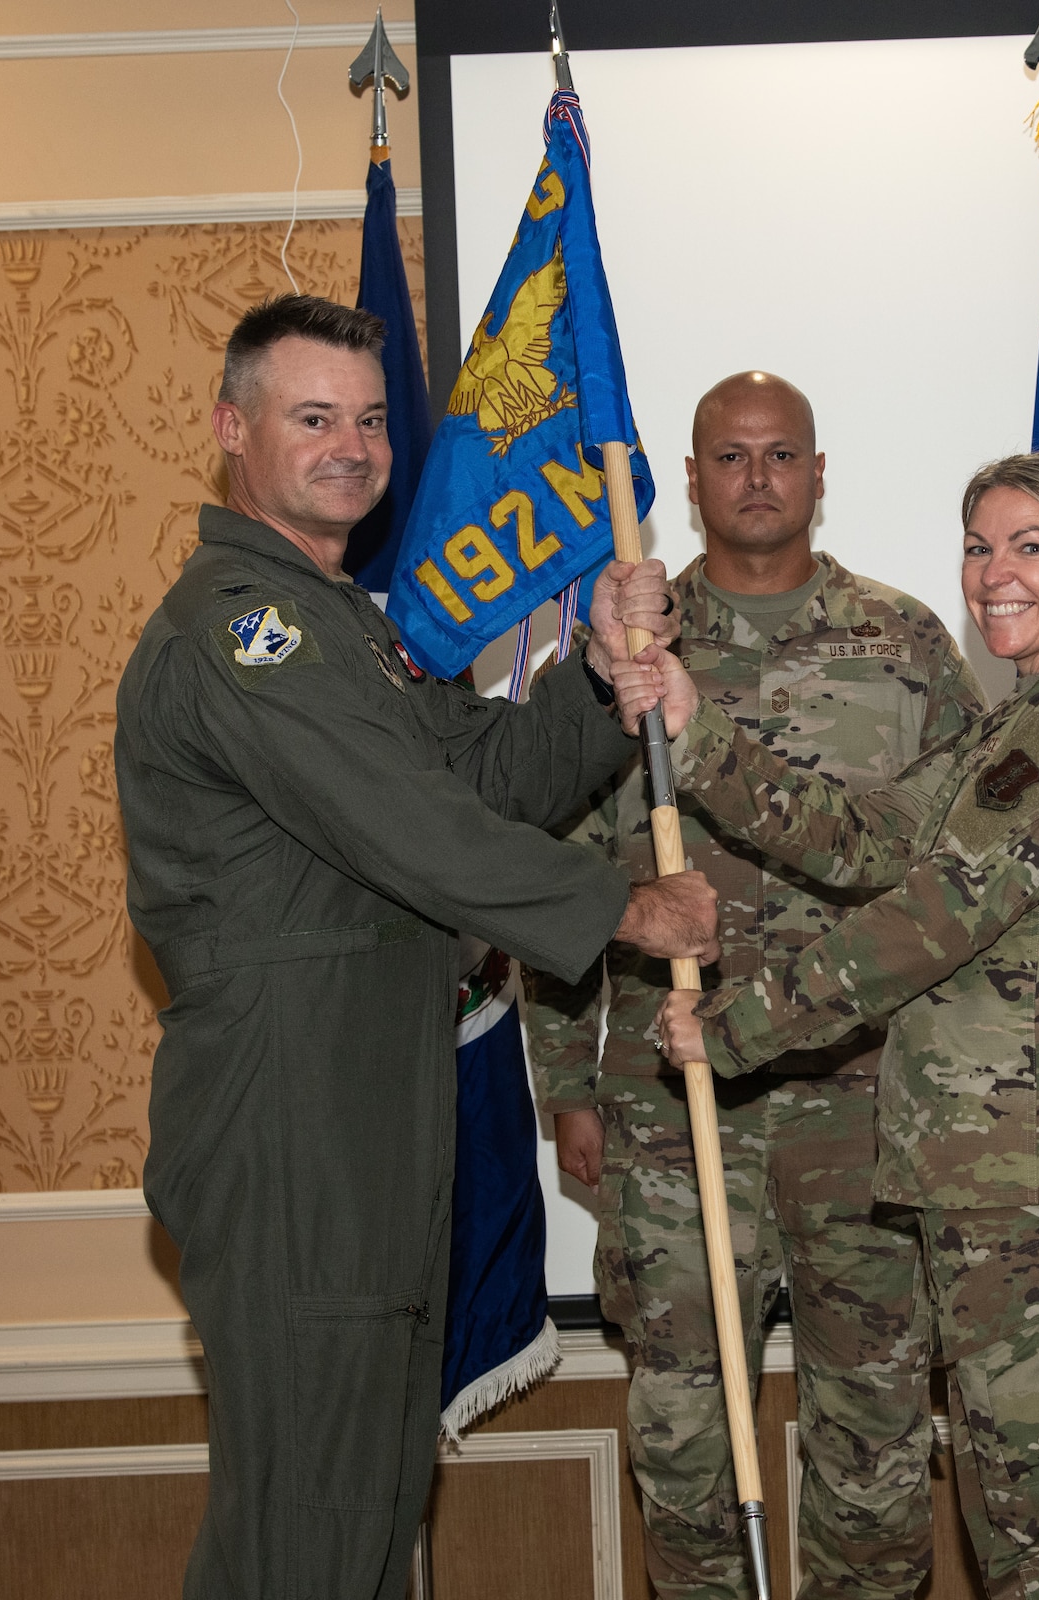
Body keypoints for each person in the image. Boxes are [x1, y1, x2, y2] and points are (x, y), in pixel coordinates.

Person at [113, 294, 719, 1600]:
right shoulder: (242, 632)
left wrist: (604, 676)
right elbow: (408, 826)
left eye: (372, 419)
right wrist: (624, 908)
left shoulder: (338, 626)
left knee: (357, 1533)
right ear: (233, 430)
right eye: (313, 417)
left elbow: (475, 777)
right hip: (295, 1130)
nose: (354, 446)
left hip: (363, 1120)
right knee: (312, 1545)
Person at [624, 450, 1039, 1600]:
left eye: (1030, 547)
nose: (992, 575)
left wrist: (730, 1030)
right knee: (1021, 1535)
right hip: (989, 1187)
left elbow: (929, 918)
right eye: (978, 545)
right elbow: (867, 834)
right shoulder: (1023, 721)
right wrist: (696, 731)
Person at [526, 371, 984, 1599]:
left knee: (875, 1432)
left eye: (781, 455)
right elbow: (556, 879)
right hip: (674, 1109)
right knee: (681, 1432)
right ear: (688, 480)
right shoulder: (623, 657)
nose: (757, 478)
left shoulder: (902, 642)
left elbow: (953, 879)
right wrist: (567, 1083)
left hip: (863, 1105)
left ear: (819, 472)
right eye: (729, 458)